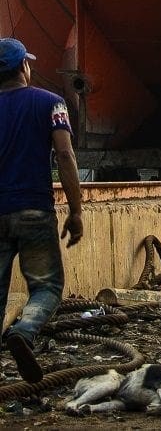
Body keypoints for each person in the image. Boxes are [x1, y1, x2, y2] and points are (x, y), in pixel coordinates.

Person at [0, 37, 84, 383]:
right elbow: (65, 155)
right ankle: (25, 330)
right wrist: (75, 210)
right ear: (24, 66)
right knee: (47, 289)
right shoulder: (51, 102)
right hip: (34, 209)